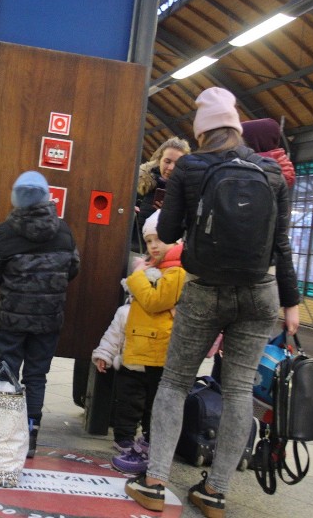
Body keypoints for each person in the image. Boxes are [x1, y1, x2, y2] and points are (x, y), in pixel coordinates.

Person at [124, 87, 300, 518]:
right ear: (236, 125)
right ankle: (216, 492)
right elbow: (281, 245)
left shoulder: (191, 166)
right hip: (261, 293)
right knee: (239, 391)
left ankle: (154, 482)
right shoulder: (270, 171)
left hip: (205, 290)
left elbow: (165, 229)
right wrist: (290, 305)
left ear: (202, 131)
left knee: (174, 382)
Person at [0, 171, 80, 458]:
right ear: (47, 197)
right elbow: (73, 269)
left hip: (10, 318)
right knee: (38, 375)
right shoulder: (63, 231)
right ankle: (31, 433)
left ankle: (4, 431)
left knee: (7, 370)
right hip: (49, 320)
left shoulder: (4, 233)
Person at [91, 210, 185, 474]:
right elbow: (122, 322)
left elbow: (156, 301)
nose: (153, 246)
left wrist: (136, 278)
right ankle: (132, 443)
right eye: (149, 241)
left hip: (159, 353)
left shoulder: (176, 271)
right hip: (137, 352)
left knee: (154, 405)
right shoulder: (155, 269)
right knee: (130, 402)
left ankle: (148, 449)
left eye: (159, 240)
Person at [134, 137, 190, 254]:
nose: (171, 168)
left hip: (173, 255)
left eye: (177, 163)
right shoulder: (141, 183)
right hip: (139, 250)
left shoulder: (189, 191)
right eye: (167, 161)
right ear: (159, 160)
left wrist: (173, 212)